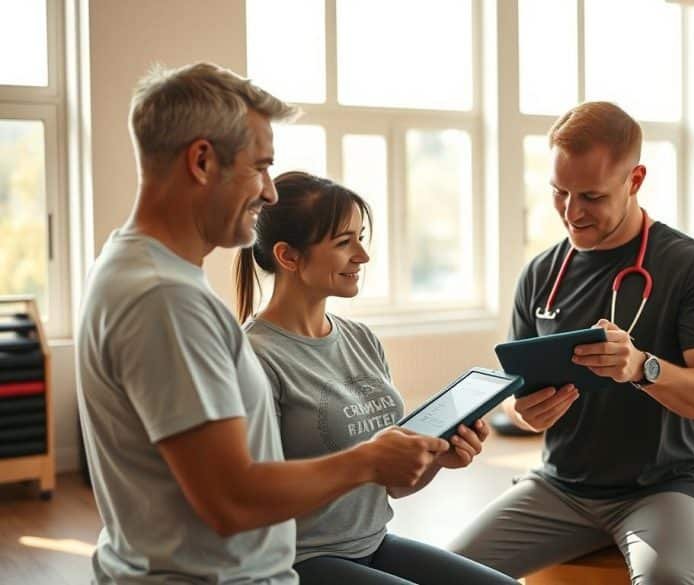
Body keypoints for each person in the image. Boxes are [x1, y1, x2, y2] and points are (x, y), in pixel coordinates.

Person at [76, 62, 448, 584]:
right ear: (202, 161)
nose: (270, 193)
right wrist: (367, 461)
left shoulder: (142, 273)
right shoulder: (164, 299)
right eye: (260, 167)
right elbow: (230, 498)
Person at [450, 101, 694, 585]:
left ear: (635, 179)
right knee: (444, 575)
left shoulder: (691, 266)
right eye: (559, 192)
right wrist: (529, 413)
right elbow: (520, 402)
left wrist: (642, 367)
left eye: (590, 196)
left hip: (664, 489)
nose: (571, 213)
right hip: (559, 488)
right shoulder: (541, 274)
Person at [234, 170, 519, 585]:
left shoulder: (362, 340)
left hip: (372, 544)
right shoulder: (254, 357)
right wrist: (366, 462)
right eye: (343, 242)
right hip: (295, 562)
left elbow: (392, 486)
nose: (362, 256)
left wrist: (437, 459)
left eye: (360, 237)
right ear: (288, 256)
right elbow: (252, 499)